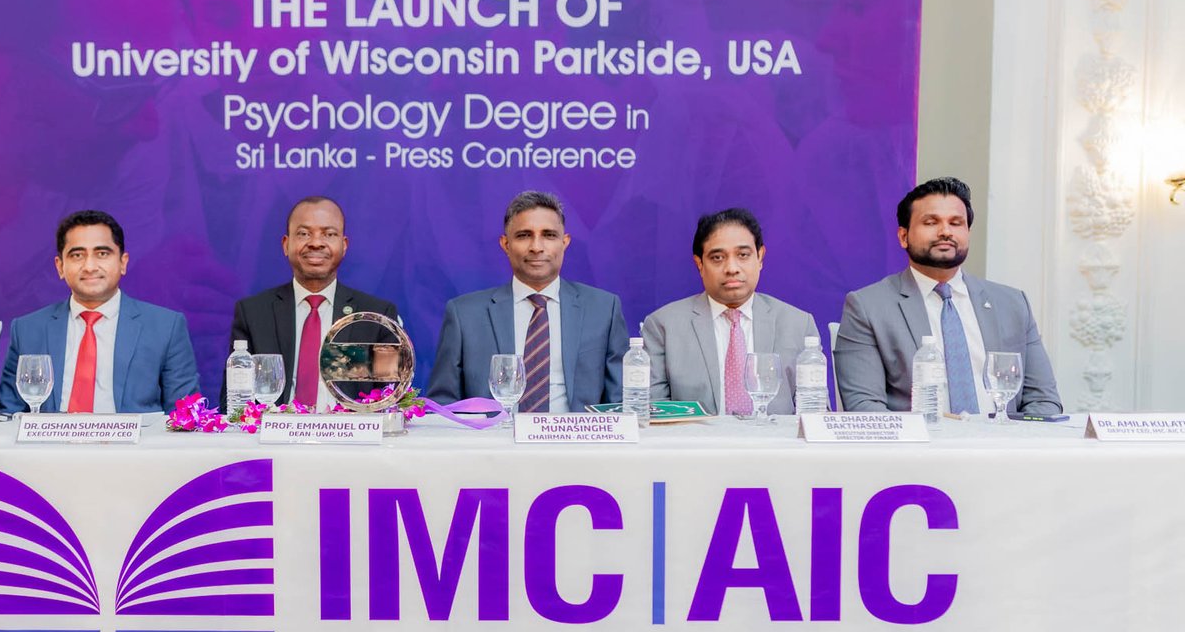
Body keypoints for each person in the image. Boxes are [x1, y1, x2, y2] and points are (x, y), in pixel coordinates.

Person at [834, 177, 1061, 415]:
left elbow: (1044, 401)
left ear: (968, 232)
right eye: (931, 222)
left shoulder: (1012, 304)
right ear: (903, 236)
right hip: (920, 438)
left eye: (956, 223)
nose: (945, 232)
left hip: (1001, 437)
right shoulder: (868, 307)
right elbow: (865, 408)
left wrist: (1009, 436)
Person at [427, 191, 628, 412]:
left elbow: (619, 404)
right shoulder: (464, 314)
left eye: (549, 235)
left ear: (564, 242)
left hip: (577, 435)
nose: (536, 247)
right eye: (524, 235)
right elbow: (443, 405)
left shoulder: (603, 309)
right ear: (506, 244)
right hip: (493, 434)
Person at [0, 210, 197, 413]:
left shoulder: (165, 327)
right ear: (60, 266)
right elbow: (9, 413)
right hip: (51, 435)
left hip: (136, 435)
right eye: (77, 255)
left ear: (123, 262)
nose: (90, 266)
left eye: (102, 254)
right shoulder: (28, 330)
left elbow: (185, 415)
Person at [225, 196, 400, 409]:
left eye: (329, 234)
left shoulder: (375, 317)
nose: (316, 243)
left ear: (344, 245)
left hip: (349, 429)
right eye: (304, 233)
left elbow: (390, 401)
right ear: (286, 244)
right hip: (275, 429)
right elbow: (234, 404)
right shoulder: (254, 313)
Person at [641, 208, 819, 416]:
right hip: (695, 437)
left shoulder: (798, 324)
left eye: (743, 255)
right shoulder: (663, 326)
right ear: (699, 264)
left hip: (776, 437)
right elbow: (654, 415)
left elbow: (815, 415)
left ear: (760, 257)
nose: (732, 268)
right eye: (717, 258)